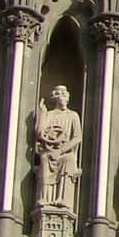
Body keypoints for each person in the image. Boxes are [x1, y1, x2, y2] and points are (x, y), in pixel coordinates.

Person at [32, 86, 83, 220]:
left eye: (64, 93)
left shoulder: (72, 116)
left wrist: (60, 150)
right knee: (44, 159)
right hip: (49, 150)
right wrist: (42, 113)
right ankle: (46, 198)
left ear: (68, 96)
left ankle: (63, 199)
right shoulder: (49, 114)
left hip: (64, 151)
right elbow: (40, 133)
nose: (61, 96)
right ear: (54, 97)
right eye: (58, 93)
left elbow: (78, 137)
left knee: (68, 160)